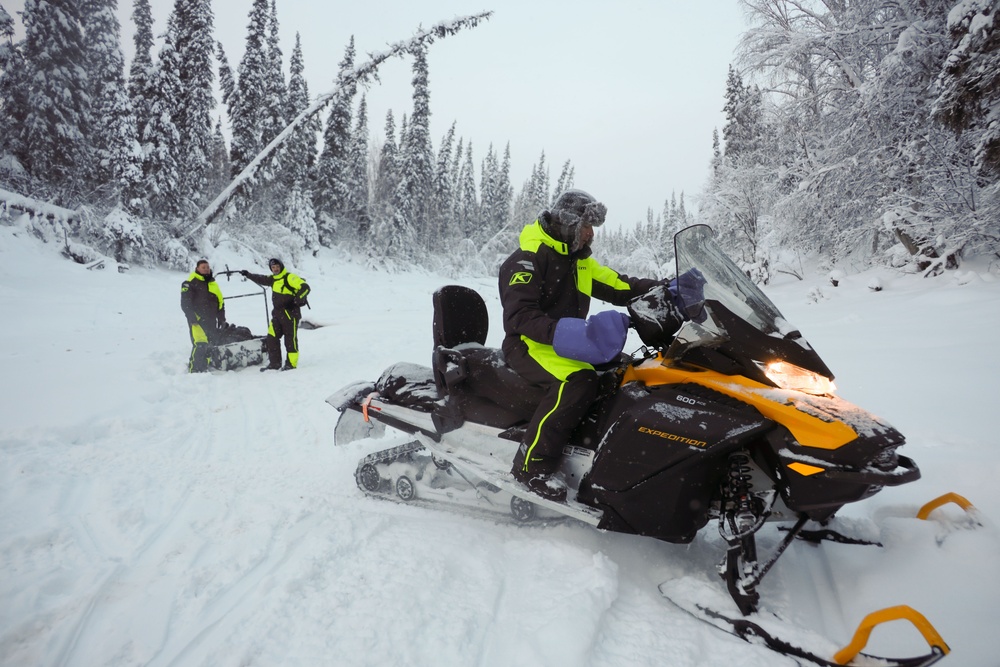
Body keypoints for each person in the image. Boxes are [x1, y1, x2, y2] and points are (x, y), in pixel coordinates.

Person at [498, 189, 667, 501]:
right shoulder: (528, 259)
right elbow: (520, 317)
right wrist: (568, 333)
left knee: (624, 371)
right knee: (577, 381)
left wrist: (667, 289)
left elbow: (622, 285)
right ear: (569, 223)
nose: (591, 235)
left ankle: (593, 454)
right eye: (586, 227)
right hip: (528, 344)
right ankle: (531, 465)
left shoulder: (579, 261)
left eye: (593, 228)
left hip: (564, 341)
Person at [240, 258, 310, 371]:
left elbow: (305, 287)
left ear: (281, 266)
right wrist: (248, 275)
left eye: (277, 266)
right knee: (271, 338)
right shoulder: (273, 279)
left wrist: (297, 299)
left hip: (290, 314)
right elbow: (261, 279)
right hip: (277, 314)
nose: (275, 269)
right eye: (273, 267)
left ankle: (291, 364)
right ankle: (275, 363)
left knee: (290, 340)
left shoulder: (289, 277)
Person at [180, 259, 226, 373]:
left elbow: (220, 302)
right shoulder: (190, 282)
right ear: (197, 269)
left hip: (211, 319)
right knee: (200, 343)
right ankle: (194, 370)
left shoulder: (212, 283)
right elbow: (185, 303)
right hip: (197, 319)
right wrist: (191, 317)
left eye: (207, 267)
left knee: (210, 343)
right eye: (203, 267)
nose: (206, 269)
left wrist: (221, 318)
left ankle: (204, 366)